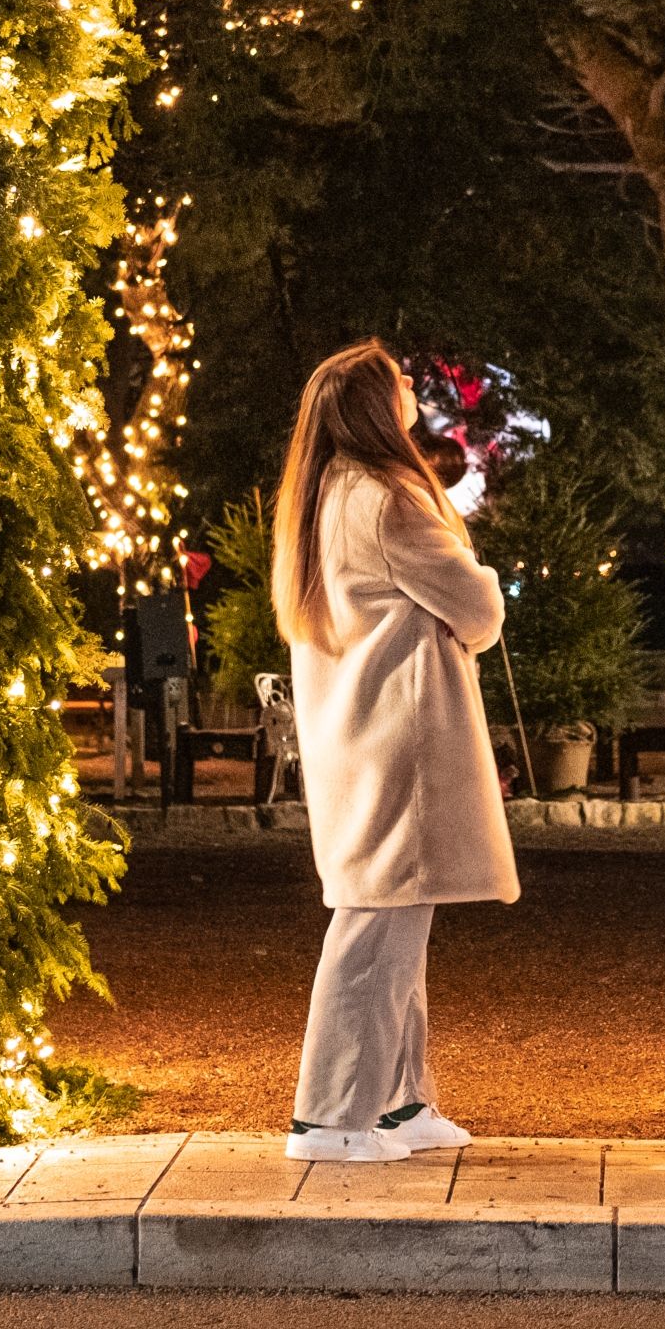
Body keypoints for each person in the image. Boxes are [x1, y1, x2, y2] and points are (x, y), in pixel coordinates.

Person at [270, 339, 516, 1162]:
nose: (412, 387)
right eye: (399, 381)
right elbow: (476, 602)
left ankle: (400, 1104)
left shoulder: (325, 496)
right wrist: (472, 597)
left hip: (358, 734)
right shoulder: (390, 496)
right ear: (377, 407)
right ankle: (332, 1113)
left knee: (396, 922)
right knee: (379, 926)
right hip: (401, 736)